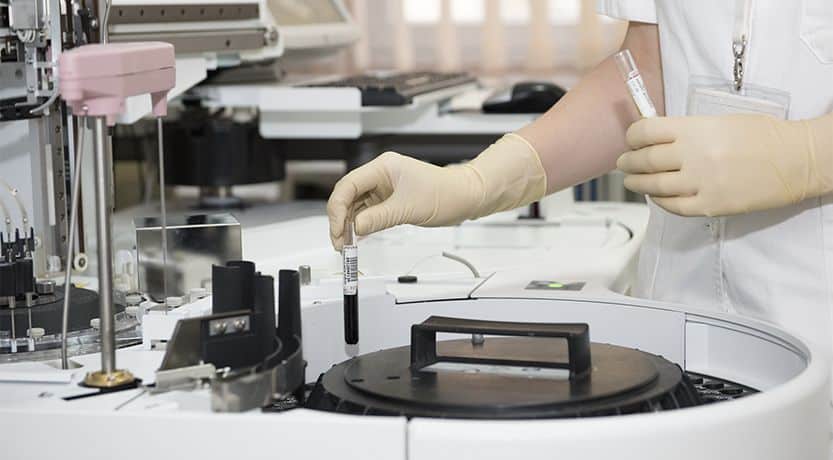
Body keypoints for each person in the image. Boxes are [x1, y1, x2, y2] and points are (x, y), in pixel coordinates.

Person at [327, 1, 833, 351]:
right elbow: (647, 70)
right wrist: (476, 182)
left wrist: (807, 155)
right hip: (681, 315)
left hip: (817, 320)